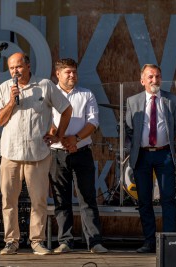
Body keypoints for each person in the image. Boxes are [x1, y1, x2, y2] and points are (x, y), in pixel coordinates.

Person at [0, 52, 72, 255]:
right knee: (8, 200)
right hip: (10, 152)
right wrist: (11, 101)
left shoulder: (45, 85)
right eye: (11, 68)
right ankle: (11, 241)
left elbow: (66, 109)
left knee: (38, 200)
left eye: (18, 67)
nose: (15, 71)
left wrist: (59, 136)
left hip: (38, 152)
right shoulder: (4, 88)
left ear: (28, 66)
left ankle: (36, 241)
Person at [48, 58, 107, 254]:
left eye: (74, 72)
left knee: (87, 197)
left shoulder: (86, 94)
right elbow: (46, 122)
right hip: (56, 153)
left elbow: (93, 122)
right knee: (61, 199)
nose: (72, 75)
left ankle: (94, 242)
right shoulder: (49, 95)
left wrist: (75, 139)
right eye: (68, 72)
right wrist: (61, 138)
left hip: (81, 152)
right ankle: (65, 241)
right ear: (58, 74)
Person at [125, 64, 176, 253]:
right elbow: (128, 129)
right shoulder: (132, 101)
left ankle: (171, 242)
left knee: (168, 199)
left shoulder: (172, 99)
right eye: (150, 77)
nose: (154, 80)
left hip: (164, 154)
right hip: (142, 155)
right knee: (145, 200)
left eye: (157, 76)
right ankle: (149, 241)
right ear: (142, 81)